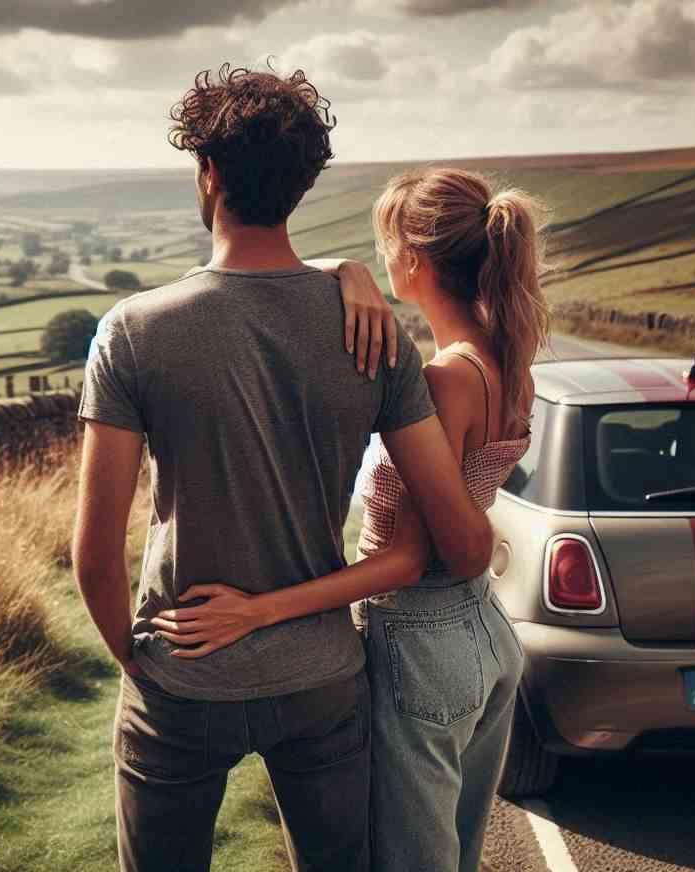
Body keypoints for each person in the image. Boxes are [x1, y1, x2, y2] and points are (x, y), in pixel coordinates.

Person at [71, 65, 494, 872]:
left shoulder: (133, 332)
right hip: (323, 680)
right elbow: (450, 530)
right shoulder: (374, 335)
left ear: (210, 174)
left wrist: (137, 660)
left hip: (182, 672)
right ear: (302, 185)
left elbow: (93, 553)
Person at [152, 167, 551, 871]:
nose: (379, 258)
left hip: (419, 641)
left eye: (382, 245)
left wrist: (259, 611)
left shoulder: (441, 382)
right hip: (486, 631)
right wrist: (343, 269)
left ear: (414, 261)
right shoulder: (505, 359)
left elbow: (404, 562)